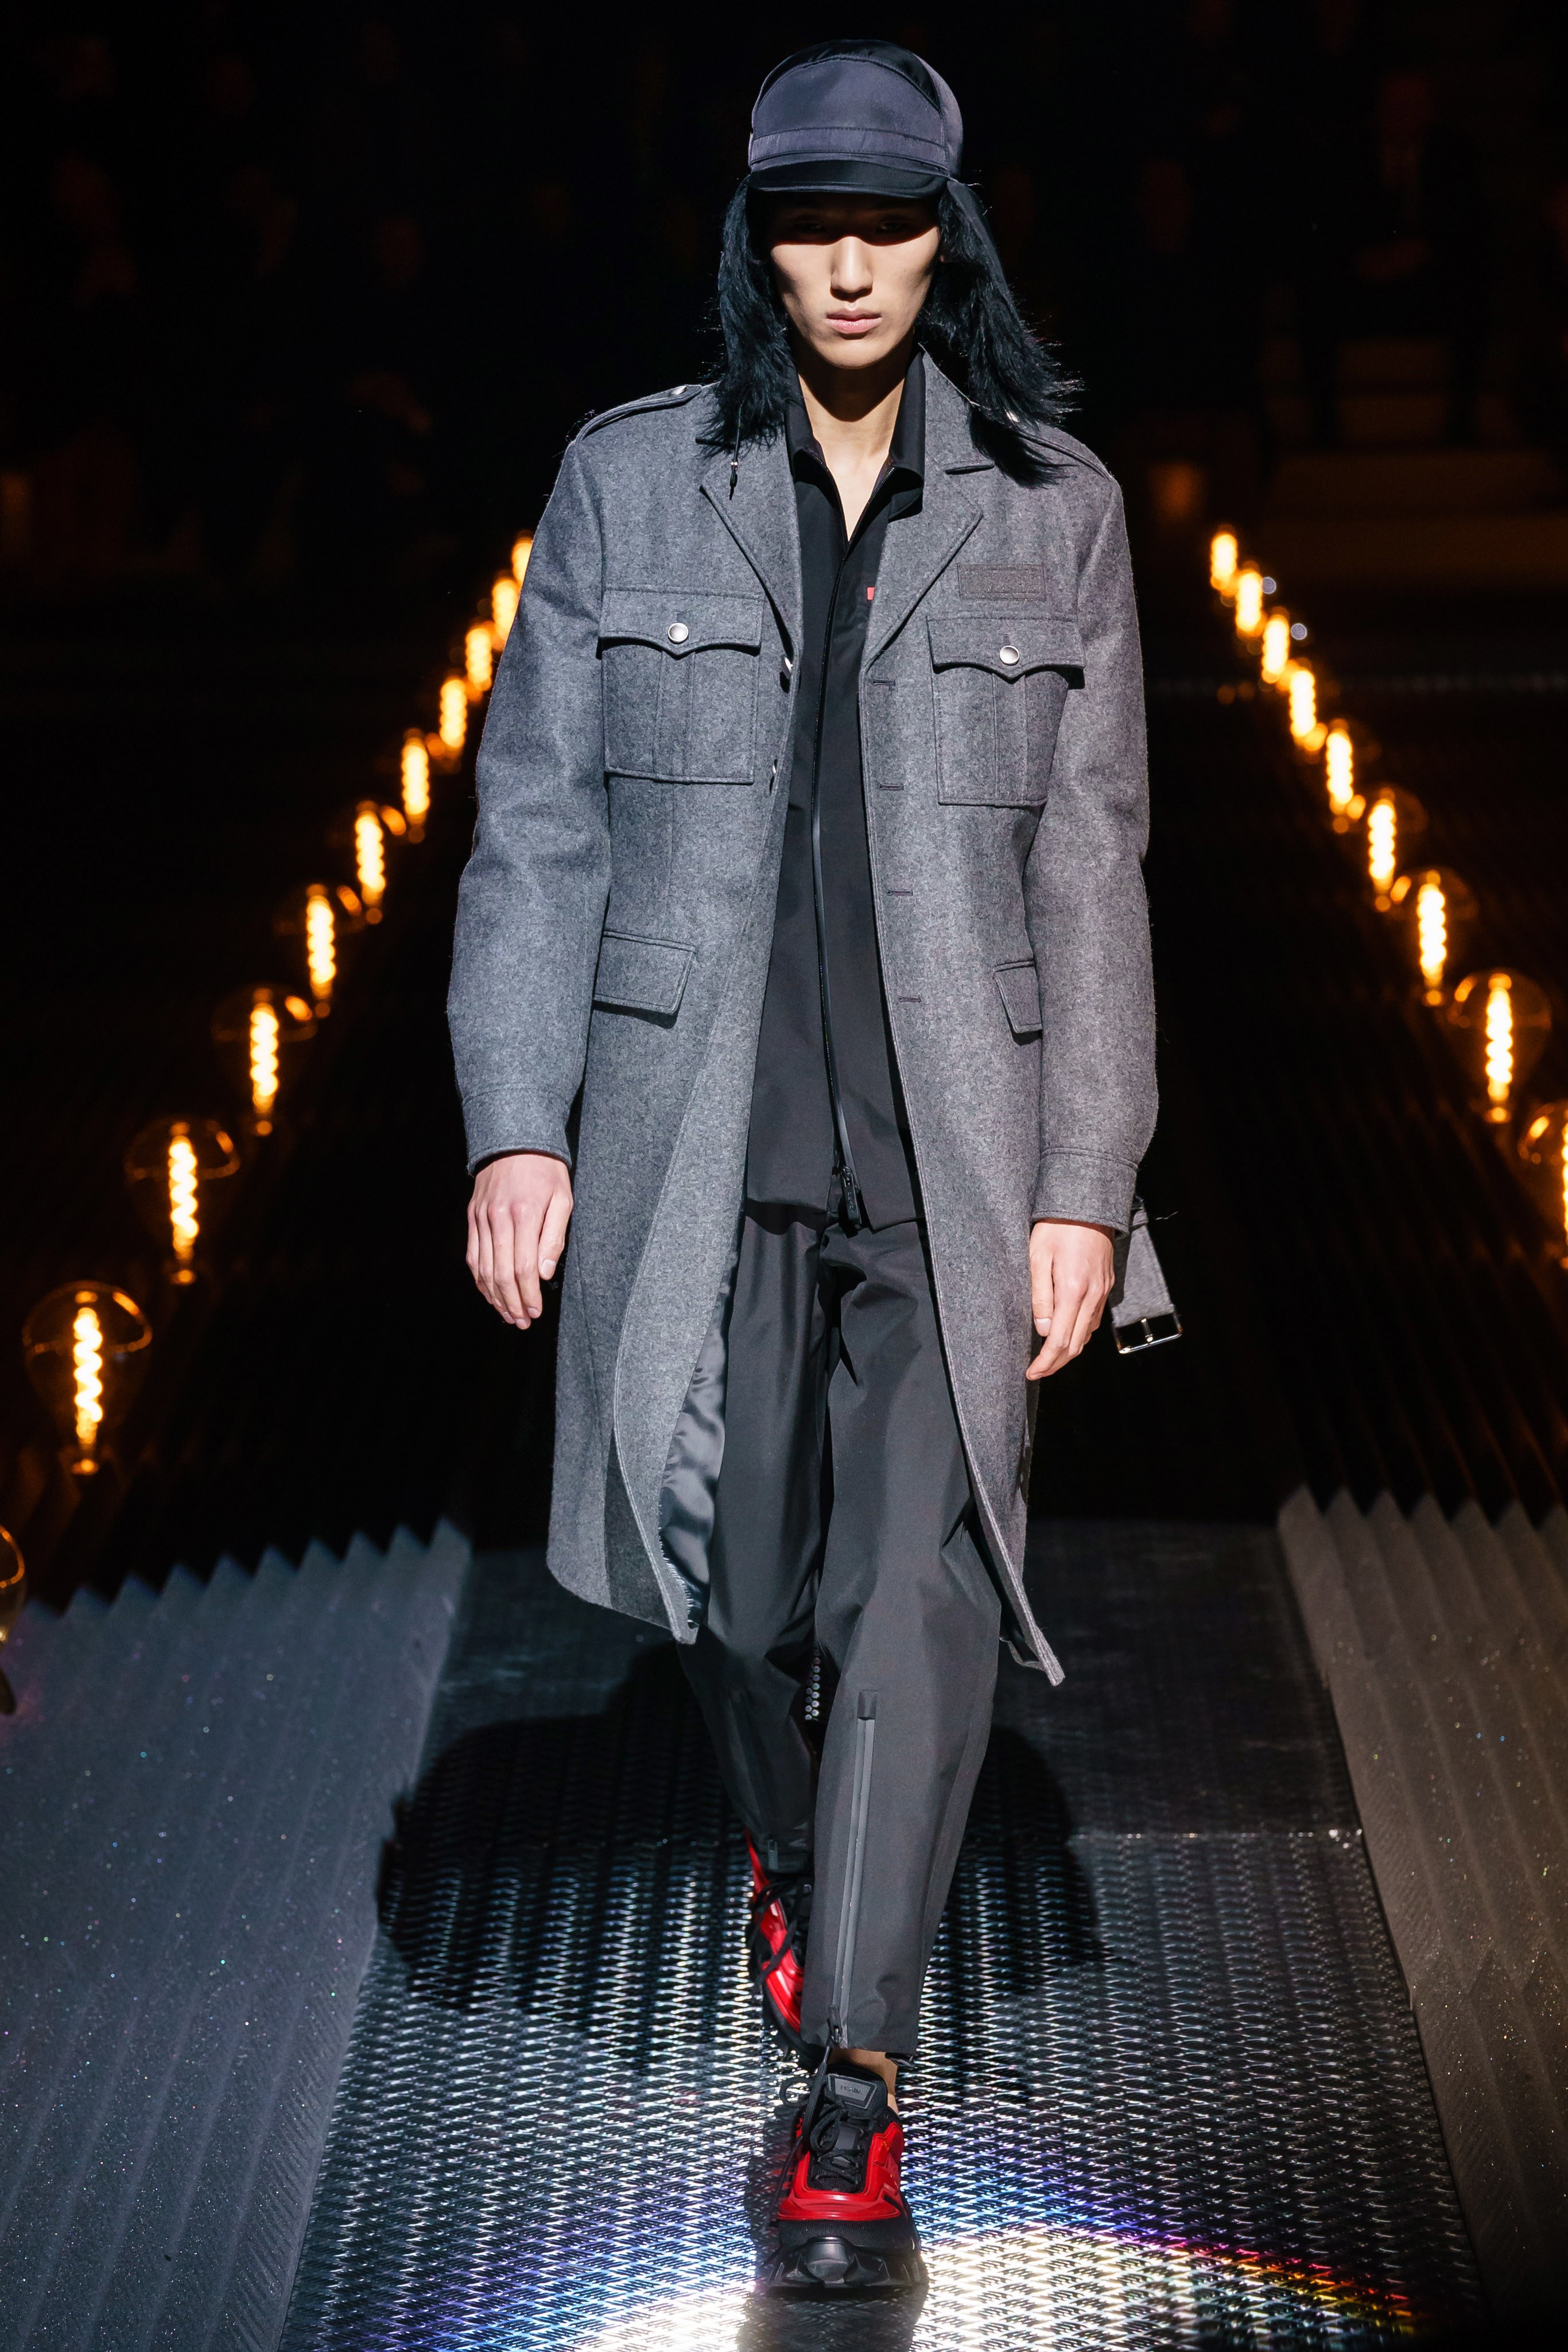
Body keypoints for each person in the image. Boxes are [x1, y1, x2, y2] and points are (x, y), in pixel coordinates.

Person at [449, 40, 1155, 2296]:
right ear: (758, 242)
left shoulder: (1049, 506)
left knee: (914, 1597)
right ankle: (795, 1850)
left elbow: (1091, 868)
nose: (848, 267)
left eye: (886, 223)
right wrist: (517, 1124)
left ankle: (848, 2095)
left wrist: (1085, 1178)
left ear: (948, 238)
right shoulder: (629, 484)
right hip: (699, 1151)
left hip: (953, 1161)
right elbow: (535, 831)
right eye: (808, 226)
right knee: (732, 1591)